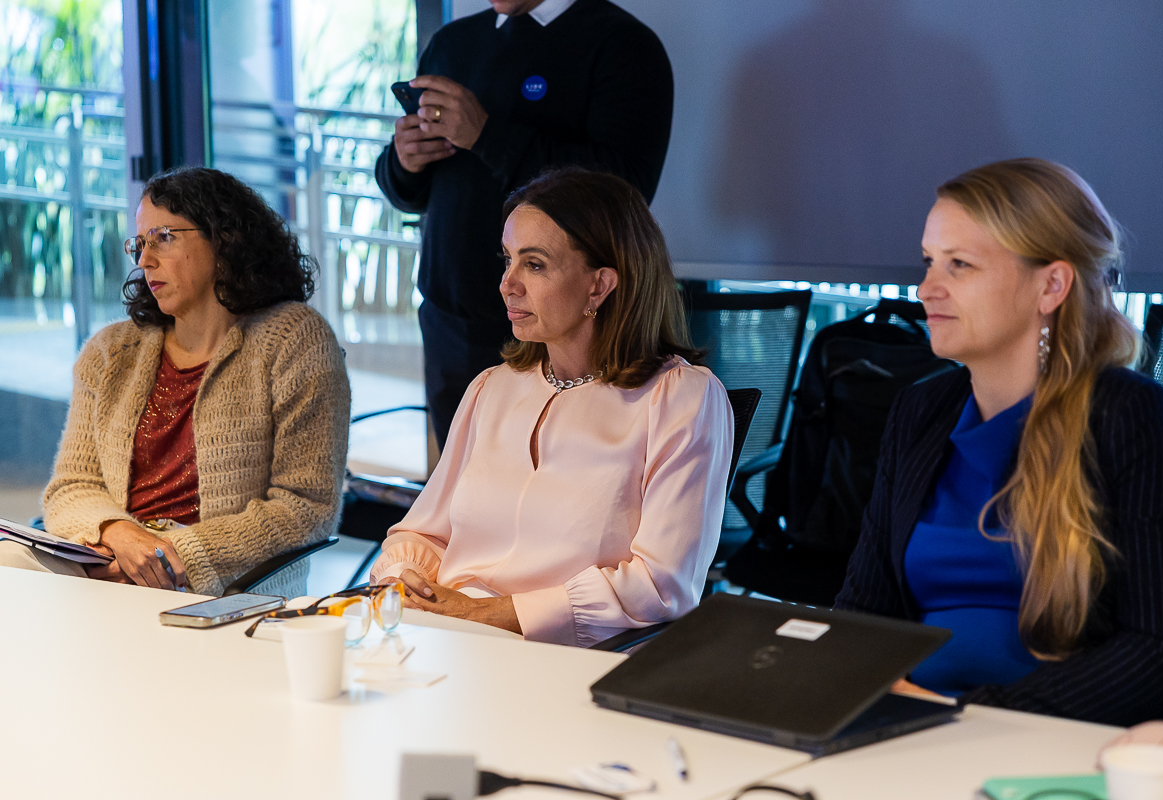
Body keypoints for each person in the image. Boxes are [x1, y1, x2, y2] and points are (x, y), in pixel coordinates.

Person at [836, 158, 1163, 730]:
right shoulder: (920, 412)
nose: (926, 288)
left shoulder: (1130, 417)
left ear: (1051, 285)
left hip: (1058, 742)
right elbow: (862, 613)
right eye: (929, 261)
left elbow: (1160, 653)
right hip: (913, 730)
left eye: (960, 265)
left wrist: (974, 716)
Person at [369, 169, 732, 647]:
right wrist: (404, 577)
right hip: (447, 638)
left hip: (564, 658)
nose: (506, 284)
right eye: (508, 260)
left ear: (599, 286)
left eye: (534, 265)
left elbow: (661, 584)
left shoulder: (680, 398)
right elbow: (424, 535)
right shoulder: (491, 388)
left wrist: (488, 614)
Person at [0, 167, 351, 598]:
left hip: (218, 585)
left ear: (224, 240)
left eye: (164, 237)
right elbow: (73, 485)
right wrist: (119, 535)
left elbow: (305, 506)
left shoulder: (294, 339)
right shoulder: (111, 351)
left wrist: (164, 557)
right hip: (109, 563)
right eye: (140, 243)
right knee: (8, 563)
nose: (145, 260)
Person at [374, 0, 674, 449]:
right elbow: (410, 194)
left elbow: (623, 193)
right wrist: (403, 162)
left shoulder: (623, 44)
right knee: (463, 501)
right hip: (451, 323)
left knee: (554, 496)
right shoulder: (453, 43)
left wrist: (487, 136)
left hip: (563, 332)